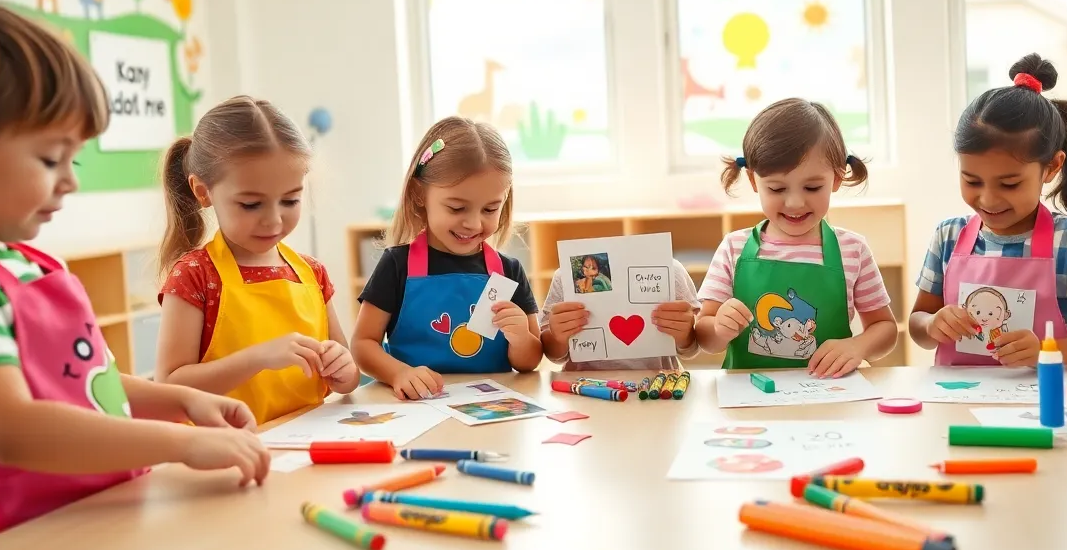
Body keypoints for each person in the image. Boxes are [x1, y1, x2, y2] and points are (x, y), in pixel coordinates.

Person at [0, 0, 267, 550]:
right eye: (50, 159)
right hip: (16, 547)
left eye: (75, 160)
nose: (69, 182)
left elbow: (79, 387)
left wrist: (182, 403)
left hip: (94, 518)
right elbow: (12, 430)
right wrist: (176, 442)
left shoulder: (25, 262)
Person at [908, 54, 1067, 367]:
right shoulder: (948, 236)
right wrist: (932, 325)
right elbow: (919, 324)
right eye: (972, 181)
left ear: (1051, 167)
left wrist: (1049, 352)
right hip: (961, 401)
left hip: (1046, 403)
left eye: (1009, 184)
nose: (989, 199)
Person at [154, 96, 358, 425]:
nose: (274, 221)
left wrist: (343, 368)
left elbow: (347, 378)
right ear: (203, 192)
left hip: (307, 445)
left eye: (290, 200)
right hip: (229, 451)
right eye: (251, 204)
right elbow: (169, 387)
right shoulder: (195, 275)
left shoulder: (311, 273)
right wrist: (258, 357)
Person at [692, 98, 898, 375]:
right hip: (752, 399)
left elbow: (885, 329)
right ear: (754, 181)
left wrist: (857, 346)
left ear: (837, 178)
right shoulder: (734, 248)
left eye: (812, 187)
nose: (795, 203)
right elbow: (705, 336)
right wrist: (719, 328)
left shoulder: (853, 249)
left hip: (831, 395)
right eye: (777, 189)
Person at [352, 118, 542, 400]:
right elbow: (363, 344)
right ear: (419, 194)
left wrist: (521, 338)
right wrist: (398, 373)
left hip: (493, 407)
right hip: (418, 405)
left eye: (490, 209)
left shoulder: (508, 271)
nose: (474, 224)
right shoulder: (396, 265)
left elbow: (529, 361)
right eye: (456, 208)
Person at [541, 259, 700, 371]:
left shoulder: (671, 270)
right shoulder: (565, 277)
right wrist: (558, 338)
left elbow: (691, 349)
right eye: (586, 267)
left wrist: (685, 336)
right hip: (583, 389)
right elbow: (554, 354)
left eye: (593, 267)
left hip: (659, 389)